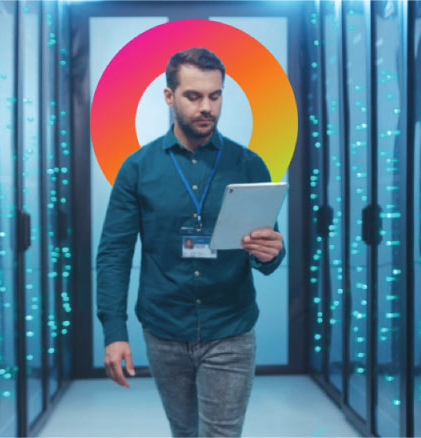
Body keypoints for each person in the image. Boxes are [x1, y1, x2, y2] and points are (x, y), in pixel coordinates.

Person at [96, 47, 286, 437]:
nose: (207, 107)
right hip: (165, 328)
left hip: (230, 326)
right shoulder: (137, 168)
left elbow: (266, 253)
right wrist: (114, 332)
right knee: (184, 432)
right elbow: (114, 254)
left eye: (215, 96)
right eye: (194, 96)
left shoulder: (249, 164)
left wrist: (272, 253)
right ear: (169, 96)